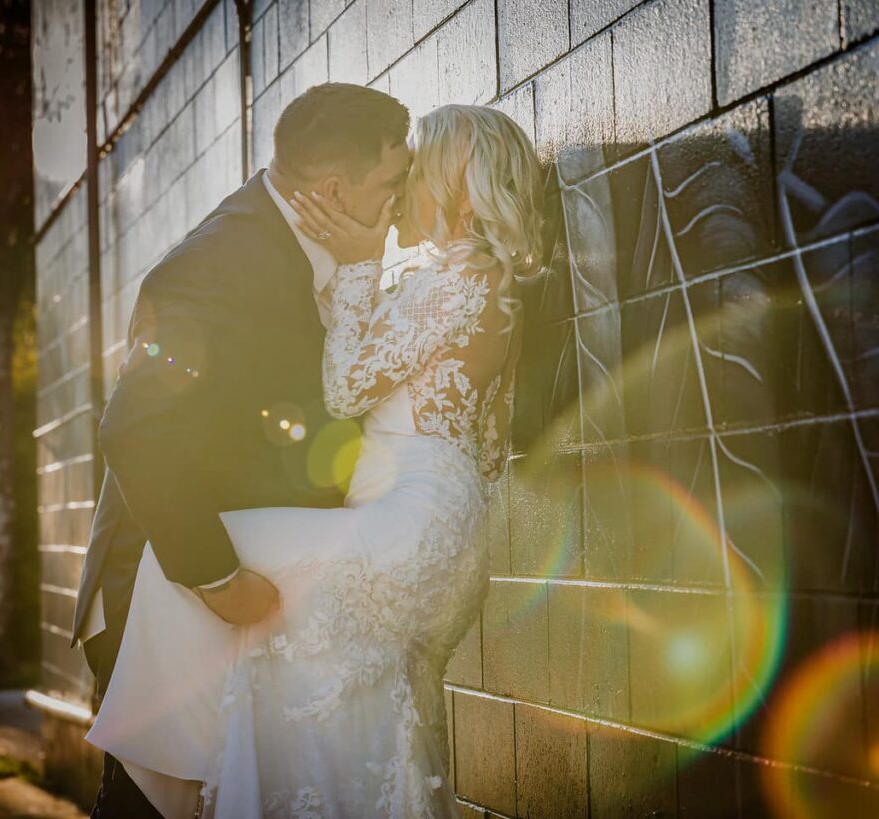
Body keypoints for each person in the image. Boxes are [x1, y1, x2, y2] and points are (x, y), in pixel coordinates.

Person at [86, 101, 543, 818]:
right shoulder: (483, 284)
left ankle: (159, 788)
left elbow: (345, 384)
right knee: (323, 693)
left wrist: (360, 270)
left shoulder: (453, 281)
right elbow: (485, 445)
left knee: (179, 567)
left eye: (417, 171)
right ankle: (174, 782)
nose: (400, 196)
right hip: (440, 523)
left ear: (455, 185)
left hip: (407, 523)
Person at [71, 82, 412, 818]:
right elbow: (135, 428)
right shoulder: (216, 266)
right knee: (152, 807)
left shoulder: (313, 241)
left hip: (240, 590)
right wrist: (218, 579)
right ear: (332, 189)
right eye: (393, 180)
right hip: (167, 588)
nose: (403, 197)